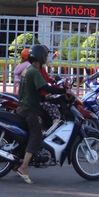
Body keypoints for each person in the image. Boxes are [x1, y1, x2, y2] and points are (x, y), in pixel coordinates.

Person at [15, 44, 68, 184]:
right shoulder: (35, 71)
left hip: (23, 106)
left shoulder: (28, 70)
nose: (46, 58)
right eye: (44, 55)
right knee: (36, 134)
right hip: (29, 109)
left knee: (28, 134)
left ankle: (18, 161)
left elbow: (34, 91)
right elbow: (45, 87)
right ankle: (24, 167)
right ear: (39, 57)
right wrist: (63, 91)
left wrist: (45, 98)